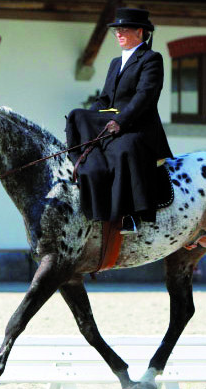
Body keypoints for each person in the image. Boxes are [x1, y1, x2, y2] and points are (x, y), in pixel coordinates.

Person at [66, 8, 172, 234]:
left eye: (124, 29)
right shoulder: (115, 62)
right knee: (78, 115)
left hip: (137, 125)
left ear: (140, 32)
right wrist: (91, 116)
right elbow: (104, 98)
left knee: (124, 148)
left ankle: (130, 215)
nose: (119, 34)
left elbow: (145, 96)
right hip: (110, 120)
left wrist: (121, 122)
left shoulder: (152, 59)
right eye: (117, 30)